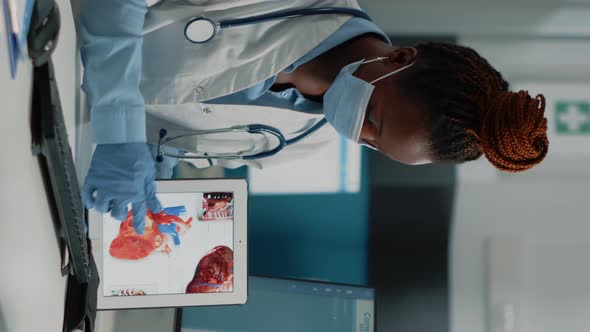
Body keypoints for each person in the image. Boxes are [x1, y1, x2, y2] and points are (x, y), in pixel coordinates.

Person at [78, 0, 549, 234]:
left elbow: (168, 137)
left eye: (371, 145)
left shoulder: (306, 138)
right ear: (399, 58)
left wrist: (152, 179)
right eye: (375, 120)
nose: (354, 132)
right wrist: (118, 131)